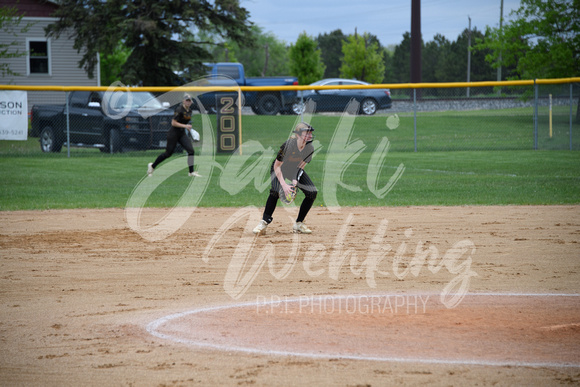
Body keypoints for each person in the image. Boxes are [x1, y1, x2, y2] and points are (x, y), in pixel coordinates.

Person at [253, 122, 317, 235]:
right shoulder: (289, 146)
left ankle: (299, 224)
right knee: (275, 191)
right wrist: (284, 185)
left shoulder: (309, 148)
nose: (310, 135)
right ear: (298, 135)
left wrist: (294, 180)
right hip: (279, 168)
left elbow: (300, 168)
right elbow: (277, 166)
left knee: (312, 192)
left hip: (294, 169)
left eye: (310, 133)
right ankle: (263, 223)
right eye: (306, 133)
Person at [147, 93, 201, 177]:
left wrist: (189, 129)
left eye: (189, 100)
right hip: (173, 133)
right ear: (183, 101)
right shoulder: (179, 109)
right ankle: (152, 166)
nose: (188, 102)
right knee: (168, 153)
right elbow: (173, 123)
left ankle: (191, 172)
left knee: (191, 151)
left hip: (181, 133)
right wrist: (185, 126)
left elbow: (184, 122)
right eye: (187, 100)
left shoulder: (189, 111)